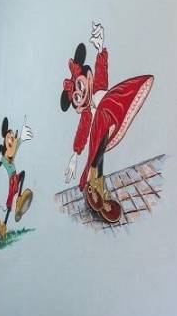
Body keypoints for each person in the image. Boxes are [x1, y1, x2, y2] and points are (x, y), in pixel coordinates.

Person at [60, 23, 154, 223]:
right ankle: (99, 191)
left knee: (103, 112)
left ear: (89, 78)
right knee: (98, 152)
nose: (81, 94)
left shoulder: (98, 86)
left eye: (80, 87)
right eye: (77, 97)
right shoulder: (86, 115)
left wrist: (100, 48)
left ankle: (95, 181)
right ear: (78, 106)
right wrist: (75, 155)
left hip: (113, 114)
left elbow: (101, 69)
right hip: (100, 135)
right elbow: (82, 133)